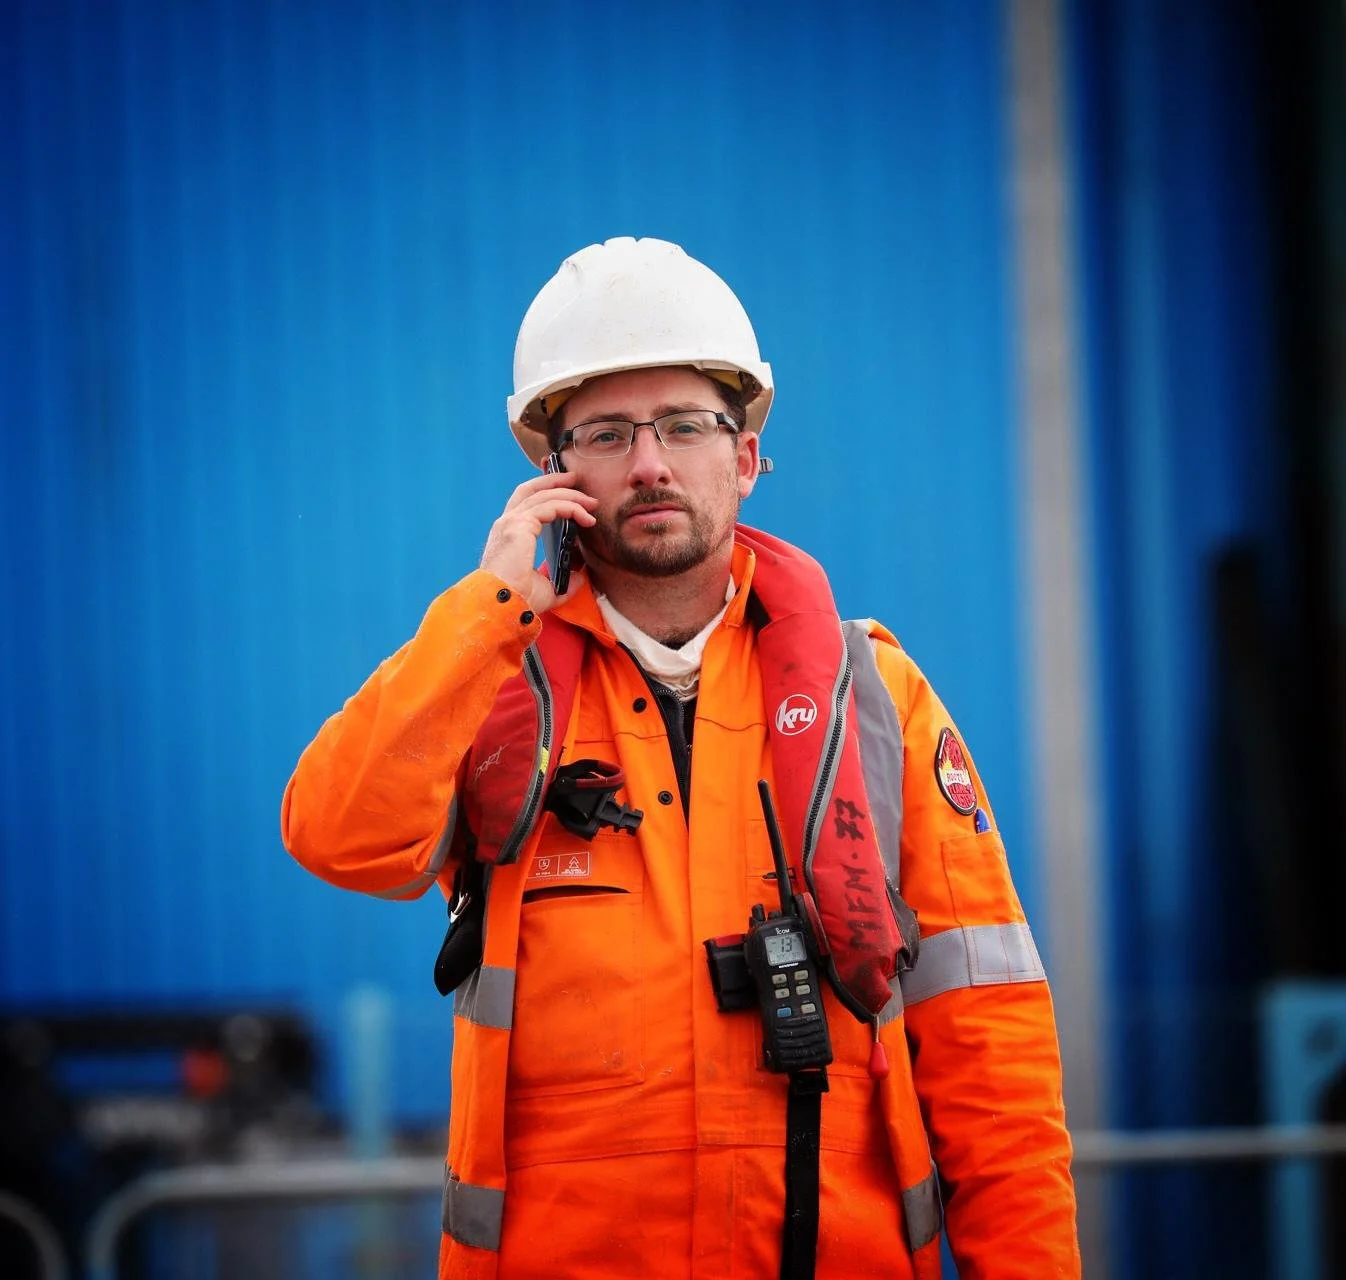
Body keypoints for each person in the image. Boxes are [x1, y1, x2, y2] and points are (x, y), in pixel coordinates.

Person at [282, 237, 1080, 1280]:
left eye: (685, 426)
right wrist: (487, 612)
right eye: (607, 434)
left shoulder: (875, 696)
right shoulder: (493, 684)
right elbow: (336, 838)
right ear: (555, 476)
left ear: (743, 459)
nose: (650, 463)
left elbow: (991, 1043)